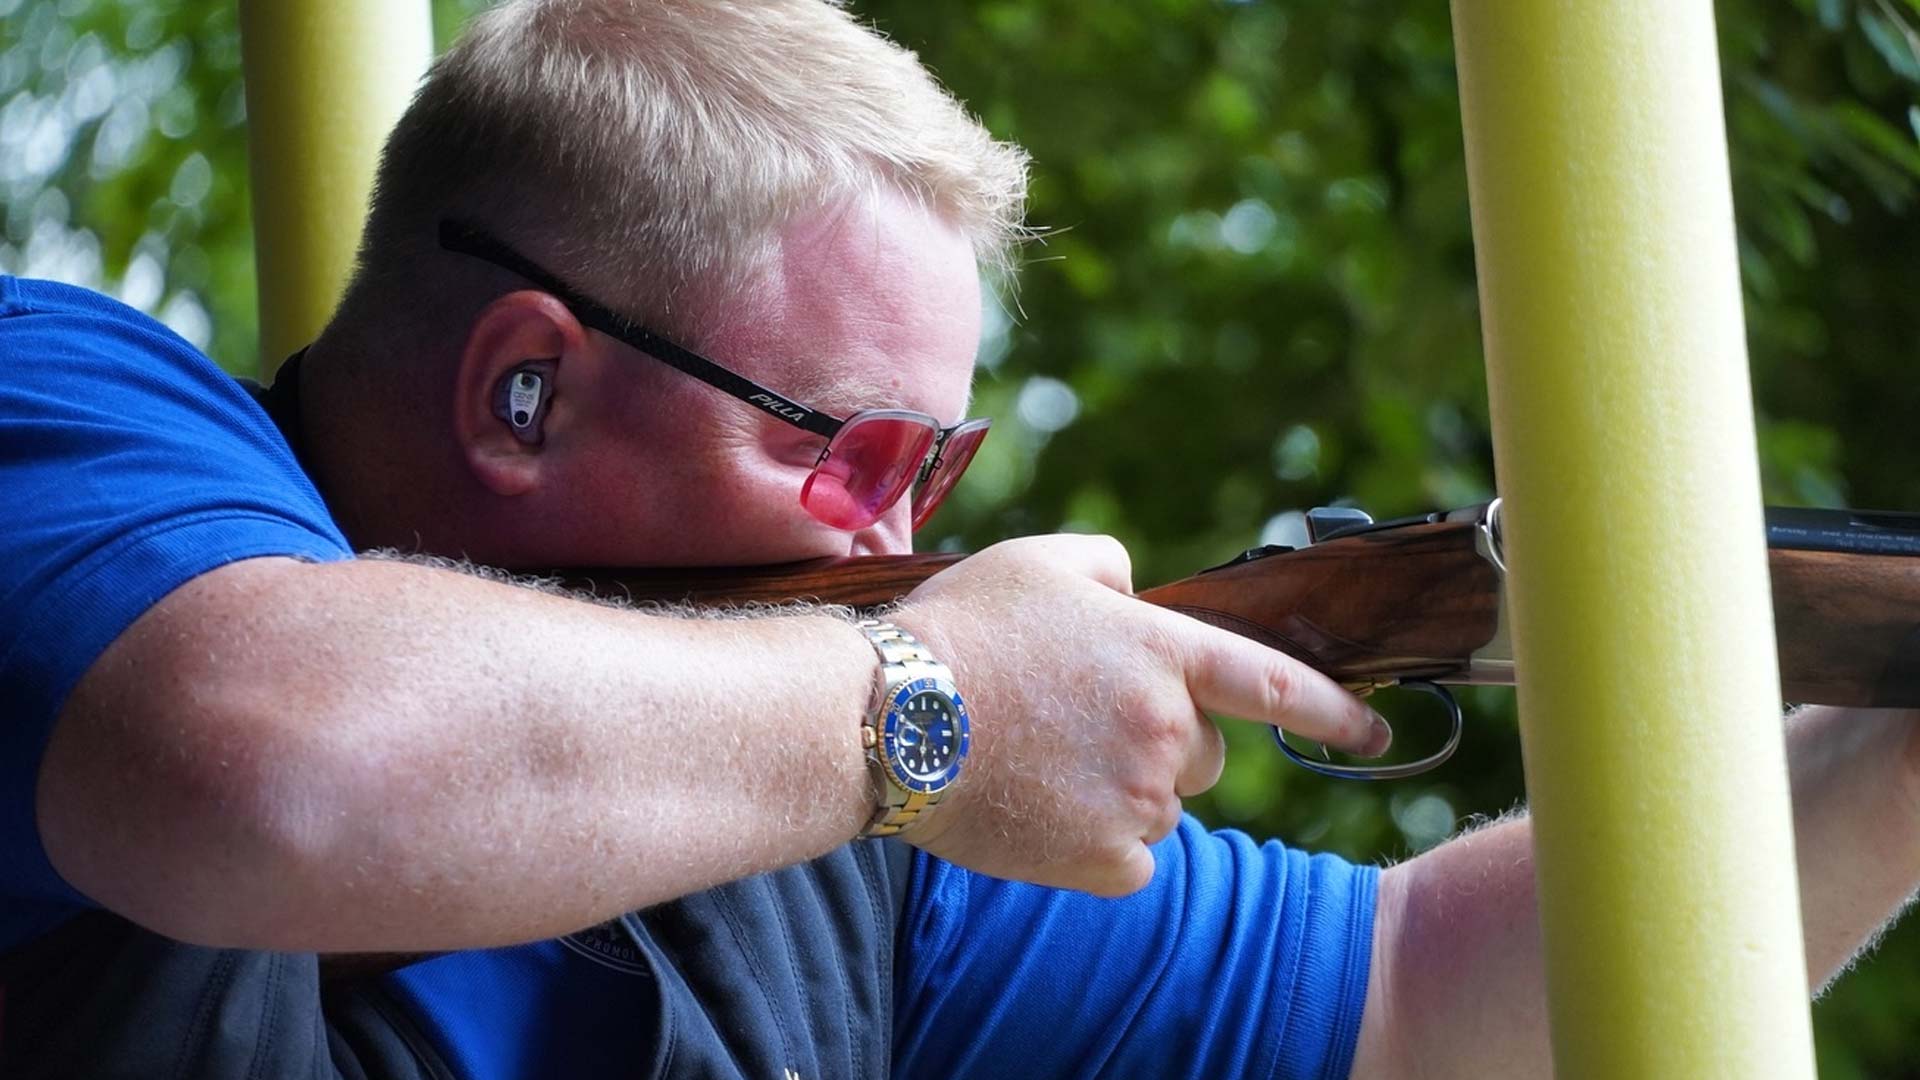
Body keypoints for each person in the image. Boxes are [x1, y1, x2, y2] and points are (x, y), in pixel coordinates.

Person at [0, 1, 1914, 1077]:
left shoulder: (838, 825)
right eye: (869, 456)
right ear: (527, 390)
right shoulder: (71, 408)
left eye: (946, 457)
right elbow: (270, 768)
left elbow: (1431, 995)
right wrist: (926, 708)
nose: (921, 539)